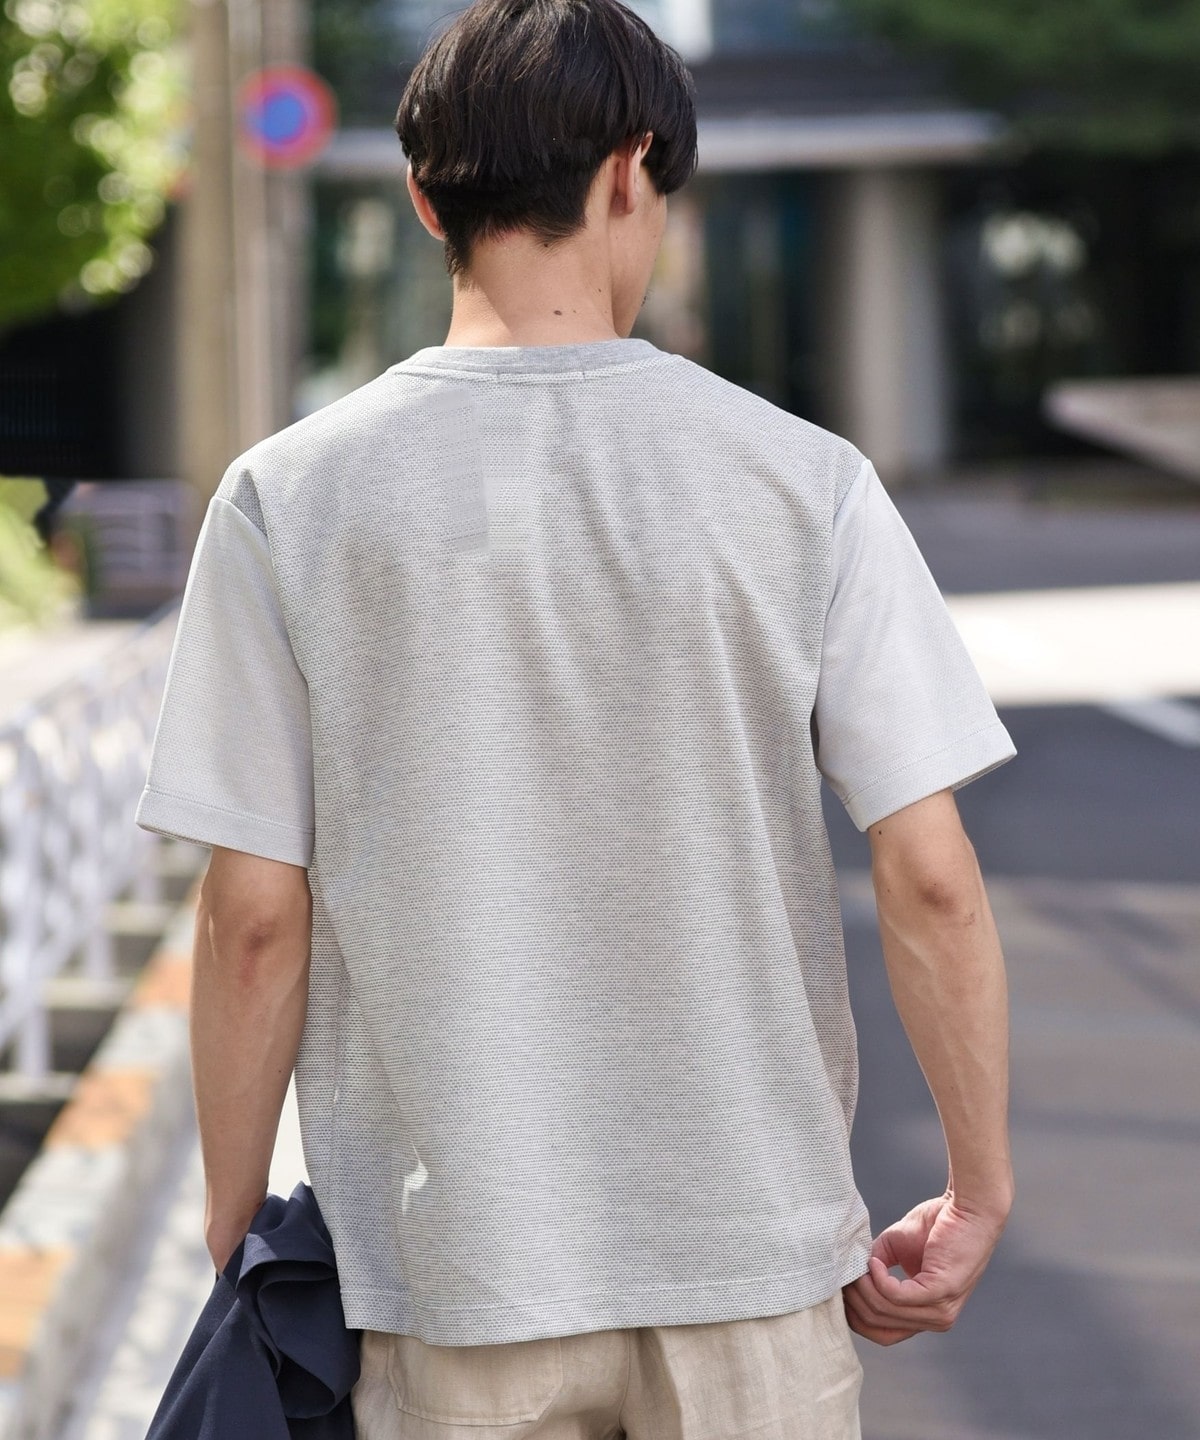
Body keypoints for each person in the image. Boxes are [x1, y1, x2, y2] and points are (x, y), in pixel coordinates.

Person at [135, 1, 1017, 1435]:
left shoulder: (286, 499)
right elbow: (930, 876)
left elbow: (251, 919)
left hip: (451, 1274)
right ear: (630, 173)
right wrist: (977, 1188)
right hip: (748, 1259)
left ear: (425, 199)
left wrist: (236, 1231)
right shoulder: (805, 483)